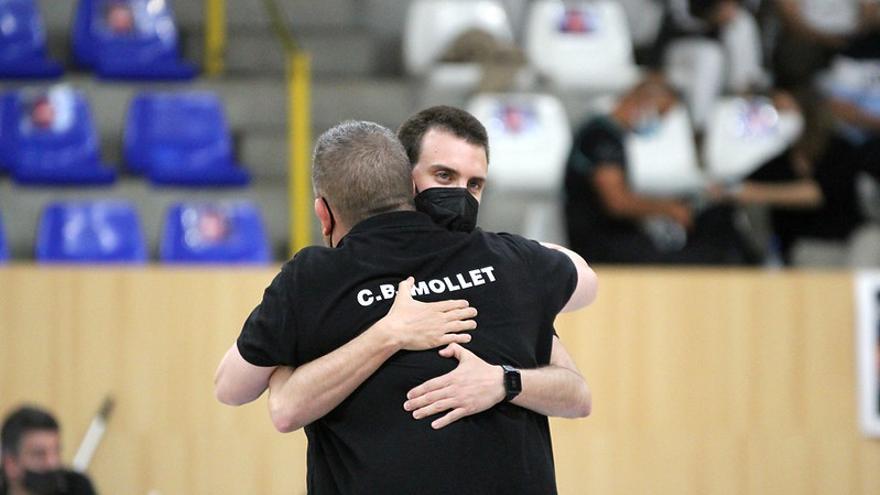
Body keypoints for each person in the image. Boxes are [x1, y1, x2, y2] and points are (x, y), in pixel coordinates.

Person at [216, 121, 593, 494]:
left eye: (474, 184)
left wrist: (505, 381)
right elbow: (583, 281)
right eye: (444, 175)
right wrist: (389, 333)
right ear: (410, 184)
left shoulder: (313, 279)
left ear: (323, 212)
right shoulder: (509, 262)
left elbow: (235, 389)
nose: (459, 196)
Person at [564, 77, 752, 264]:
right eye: (660, 114)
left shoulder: (608, 134)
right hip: (602, 244)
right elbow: (616, 202)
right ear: (642, 102)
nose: (660, 122)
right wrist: (668, 209)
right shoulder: (601, 137)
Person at [1, 406, 96, 495]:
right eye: (39, 454)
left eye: (56, 451)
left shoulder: (76, 486)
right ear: (11, 464)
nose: (52, 463)